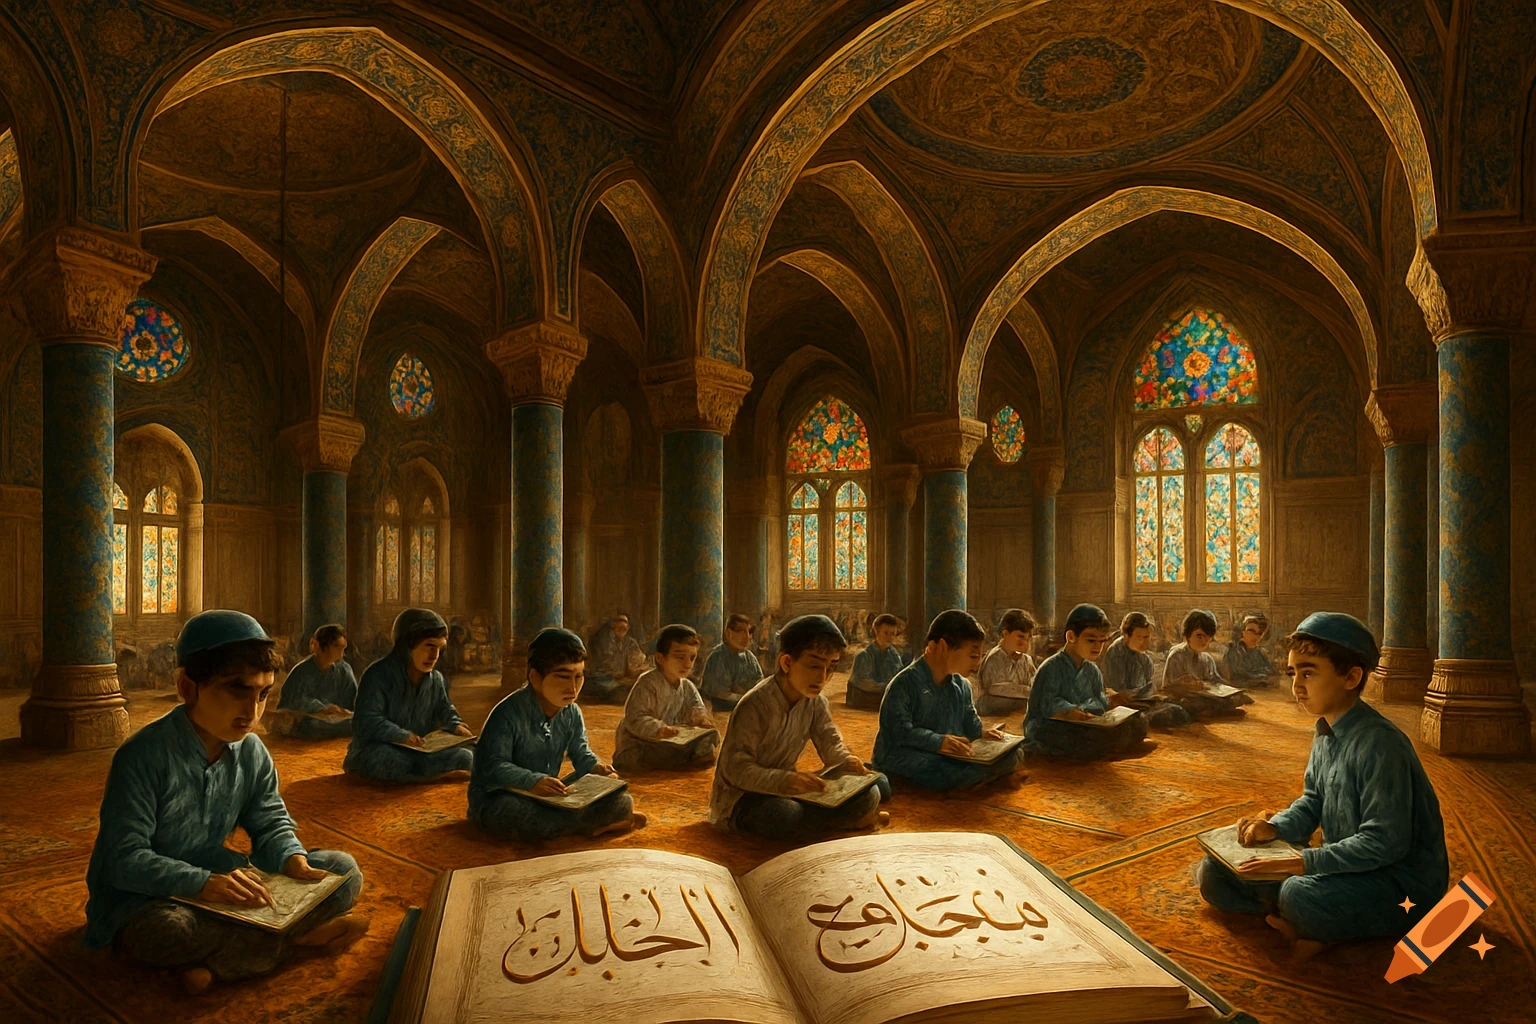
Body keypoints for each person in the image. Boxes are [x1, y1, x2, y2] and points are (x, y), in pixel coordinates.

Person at [85, 610, 367, 994]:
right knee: (170, 932)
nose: (252, 713)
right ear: (188, 687)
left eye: (263, 694)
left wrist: (292, 859)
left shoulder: (252, 752)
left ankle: (215, 966)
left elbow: (270, 822)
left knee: (343, 870)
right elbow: (124, 860)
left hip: (226, 884)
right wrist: (201, 882)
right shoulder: (142, 756)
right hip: (145, 898)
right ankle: (290, 943)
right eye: (237, 690)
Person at [1196, 612, 1448, 961]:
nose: (1297, 684)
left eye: (1309, 672)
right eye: (1293, 673)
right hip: (1341, 866)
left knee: (1299, 894)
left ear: (1351, 677)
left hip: (1399, 881)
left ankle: (1302, 916)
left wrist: (1302, 862)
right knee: (1213, 872)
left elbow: (1384, 843)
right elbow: (1313, 800)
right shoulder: (1325, 731)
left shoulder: (1381, 744)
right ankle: (1305, 920)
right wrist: (1274, 827)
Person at [710, 615, 891, 840]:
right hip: (743, 796)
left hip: (792, 790)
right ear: (786, 663)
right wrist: (786, 780)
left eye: (831, 668)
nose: (823, 678)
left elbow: (831, 744)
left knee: (872, 790)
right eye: (815, 666)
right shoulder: (754, 704)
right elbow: (735, 770)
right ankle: (846, 821)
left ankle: (838, 820)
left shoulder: (816, 702)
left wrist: (846, 761)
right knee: (785, 815)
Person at [469, 627, 646, 842]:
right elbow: (493, 766)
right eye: (563, 677)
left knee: (620, 797)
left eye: (578, 676)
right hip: (503, 795)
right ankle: (590, 822)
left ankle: (579, 822)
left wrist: (595, 767)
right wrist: (533, 781)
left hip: (550, 794)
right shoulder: (507, 713)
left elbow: (580, 752)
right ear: (535, 677)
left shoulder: (572, 712)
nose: (572, 688)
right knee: (514, 813)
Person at [871, 609, 1027, 791]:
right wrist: (939, 742)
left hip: (951, 752)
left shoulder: (962, 685)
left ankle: (981, 779)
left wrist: (981, 733)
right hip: (907, 753)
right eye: (973, 656)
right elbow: (899, 732)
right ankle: (984, 779)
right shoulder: (904, 684)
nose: (977, 664)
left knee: (1014, 754)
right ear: (943, 647)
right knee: (945, 771)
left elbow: (970, 722)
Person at [343, 608, 474, 782]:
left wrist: (456, 725)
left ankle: (423, 773)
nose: (434, 656)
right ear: (406, 645)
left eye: (439, 648)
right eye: (429, 646)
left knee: (467, 756)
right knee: (389, 760)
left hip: (421, 750)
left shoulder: (436, 679)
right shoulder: (377, 674)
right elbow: (367, 720)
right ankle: (433, 777)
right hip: (382, 748)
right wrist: (401, 736)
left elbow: (445, 708)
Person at [1024, 603, 1154, 760]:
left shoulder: (1093, 670)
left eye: (1102, 641)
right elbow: (1048, 703)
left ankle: (1101, 747)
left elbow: (1099, 701)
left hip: (1087, 725)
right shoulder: (1051, 667)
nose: (1098, 647)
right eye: (1091, 640)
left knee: (1139, 722)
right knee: (1065, 737)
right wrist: (1071, 711)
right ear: (1071, 637)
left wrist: (1108, 703)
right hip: (1051, 725)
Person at [612, 623, 719, 772]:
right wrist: (659, 729)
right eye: (679, 657)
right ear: (661, 658)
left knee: (710, 738)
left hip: (673, 740)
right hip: (643, 741)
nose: (687, 664)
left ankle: (678, 758)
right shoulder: (647, 682)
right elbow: (635, 718)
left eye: (692, 658)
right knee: (637, 758)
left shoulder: (687, 686)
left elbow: (696, 706)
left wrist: (700, 718)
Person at [1100, 612, 1190, 728]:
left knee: (1180, 710)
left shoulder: (1143, 656)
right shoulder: (1116, 654)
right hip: (1125, 707)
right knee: (1169, 714)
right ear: (1127, 636)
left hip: (1143, 700)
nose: (1145, 642)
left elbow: (1148, 681)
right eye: (1139, 638)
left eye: (1147, 637)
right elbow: (1117, 694)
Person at [268, 624, 357, 739]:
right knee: (309, 725)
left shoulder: (345, 670)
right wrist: (323, 708)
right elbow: (294, 701)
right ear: (318, 646)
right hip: (309, 718)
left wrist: (346, 711)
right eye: (336, 647)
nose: (341, 653)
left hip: (336, 719)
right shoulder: (301, 671)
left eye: (343, 648)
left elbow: (353, 697)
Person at [1166, 609, 1254, 718]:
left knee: (1232, 700)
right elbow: (1168, 687)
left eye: (1208, 638)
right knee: (1189, 705)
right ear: (1187, 634)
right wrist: (1188, 686)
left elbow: (1215, 681)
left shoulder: (1206, 659)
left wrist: (1234, 689)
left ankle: (1215, 710)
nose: (1204, 641)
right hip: (1183, 698)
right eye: (1199, 636)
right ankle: (1214, 712)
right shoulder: (1177, 655)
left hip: (1206, 696)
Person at [972, 608, 1036, 718]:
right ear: (1006, 634)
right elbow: (994, 689)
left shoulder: (1026, 660)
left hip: (1017, 713)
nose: (1025, 643)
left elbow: (1034, 686)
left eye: (1028, 638)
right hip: (992, 715)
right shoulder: (994, 658)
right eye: (1020, 637)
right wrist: (1026, 691)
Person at [700, 613, 764, 711]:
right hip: (722, 710)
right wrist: (746, 697)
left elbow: (759, 684)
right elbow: (720, 693)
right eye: (741, 631)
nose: (747, 637)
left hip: (748, 708)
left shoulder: (750, 657)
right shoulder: (718, 657)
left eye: (749, 632)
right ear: (728, 633)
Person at [846, 612, 908, 710]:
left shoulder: (893, 654)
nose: (890, 637)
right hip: (865, 696)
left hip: (884, 693)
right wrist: (888, 686)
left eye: (893, 634)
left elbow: (899, 675)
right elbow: (864, 683)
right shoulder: (864, 655)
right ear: (876, 631)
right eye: (886, 633)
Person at [585, 614, 645, 704]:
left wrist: (635, 665)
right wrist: (617, 675)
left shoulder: (630, 642)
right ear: (613, 628)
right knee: (610, 688)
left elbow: (638, 657)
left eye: (624, 629)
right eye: (619, 629)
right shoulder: (604, 641)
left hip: (622, 678)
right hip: (604, 676)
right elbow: (604, 663)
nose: (622, 631)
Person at [1223, 614, 1276, 686]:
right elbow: (1238, 675)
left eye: (1259, 633)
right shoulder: (1233, 650)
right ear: (1242, 632)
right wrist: (1260, 677)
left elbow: (1269, 671)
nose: (1256, 636)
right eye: (1251, 631)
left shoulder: (1259, 652)